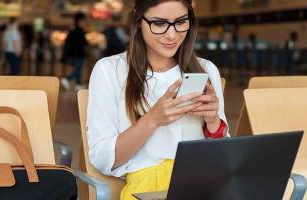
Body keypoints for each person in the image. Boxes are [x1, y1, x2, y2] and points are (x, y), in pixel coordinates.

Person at [87, 1, 228, 199]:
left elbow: (223, 158)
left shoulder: (206, 70)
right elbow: (103, 158)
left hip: (202, 186)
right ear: (138, 20)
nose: (172, 35)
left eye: (181, 22)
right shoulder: (110, 71)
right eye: (159, 24)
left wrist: (213, 122)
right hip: (145, 191)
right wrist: (153, 119)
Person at [61, 12, 88, 90]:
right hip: (78, 53)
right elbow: (85, 42)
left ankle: (78, 85)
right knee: (78, 70)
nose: (84, 23)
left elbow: (66, 40)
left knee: (78, 69)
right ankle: (67, 79)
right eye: (83, 21)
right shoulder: (79, 30)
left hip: (74, 54)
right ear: (79, 21)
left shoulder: (73, 29)